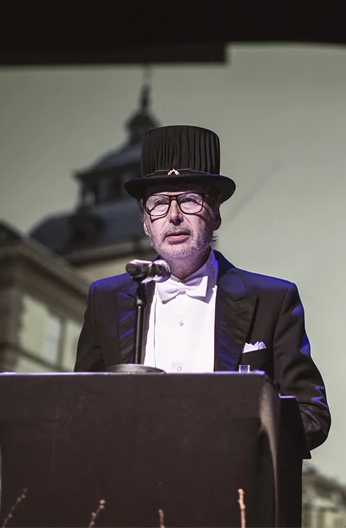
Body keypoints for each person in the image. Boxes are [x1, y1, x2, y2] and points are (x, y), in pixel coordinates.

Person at [73, 124, 331, 452]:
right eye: (159, 204)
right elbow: (78, 405)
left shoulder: (272, 300)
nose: (175, 216)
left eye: (190, 201)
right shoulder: (106, 299)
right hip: (129, 489)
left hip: (232, 491)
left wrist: (241, 426)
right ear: (145, 219)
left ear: (216, 213)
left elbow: (312, 415)